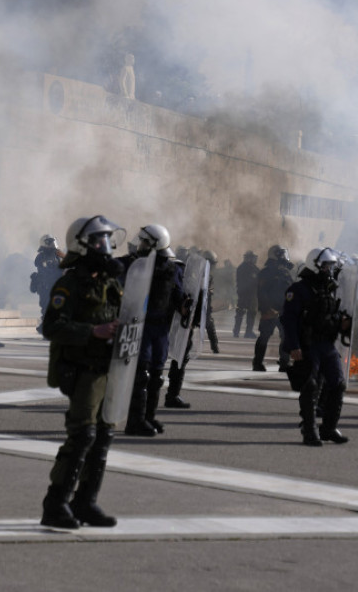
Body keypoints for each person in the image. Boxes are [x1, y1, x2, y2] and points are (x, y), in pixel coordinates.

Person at [40, 215, 124, 529]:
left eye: (107, 239)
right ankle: (56, 504)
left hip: (107, 368)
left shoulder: (110, 281)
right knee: (82, 436)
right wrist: (93, 331)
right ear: (82, 244)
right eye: (99, 240)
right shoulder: (70, 283)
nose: (106, 245)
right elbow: (52, 326)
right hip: (82, 369)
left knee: (103, 437)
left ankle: (85, 503)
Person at [118, 225, 186, 437]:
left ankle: (148, 417)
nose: (141, 245)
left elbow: (178, 295)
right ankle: (134, 421)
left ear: (156, 244)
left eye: (145, 242)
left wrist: (186, 306)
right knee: (142, 375)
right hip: (141, 325)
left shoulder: (172, 269)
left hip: (161, 328)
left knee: (156, 375)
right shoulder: (132, 264)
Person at [280, 248, 351, 446]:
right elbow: (289, 320)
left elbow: (331, 316)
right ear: (315, 265)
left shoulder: (330, 289)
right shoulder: (298, 290)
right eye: (326, 265)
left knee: (338, 384)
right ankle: (309, 431)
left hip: (327, 345)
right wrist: (293, 345)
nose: (329, 269)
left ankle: (328, 428)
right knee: (310, 387)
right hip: (308, 345)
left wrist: (342, 323)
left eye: (331, 265)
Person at [165, 249, 219, 410]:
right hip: (178, 323)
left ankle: (173, 394)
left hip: (187, 324)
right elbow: (181, 299)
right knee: (171, 358)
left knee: (181, 358)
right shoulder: (190, 277)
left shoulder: (205, 279)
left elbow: (203, 306)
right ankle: (170, 395)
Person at [252, 245, 295, 372]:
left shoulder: (286, 272)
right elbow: (261, 293)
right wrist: (267, 309)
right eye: (282, 254)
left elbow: (291, 290)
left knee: (285, 336)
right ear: (276, 255)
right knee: (264, 336)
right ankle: (257, 363)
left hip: (283, 311)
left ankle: (284, 363)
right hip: (270, 311)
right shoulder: (265, 273)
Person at [31, 234, 64, 332]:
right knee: (46, 308)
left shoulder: (57, 255)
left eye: (53, 241)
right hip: (45, 286)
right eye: (50, 242)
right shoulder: (41, 256)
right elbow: (45, 269)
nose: (52, 244)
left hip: (56, 285)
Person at [232, 250, 259, 338]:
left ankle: (240, 331)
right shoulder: (248, 268)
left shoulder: (243, 267)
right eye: (253, 258)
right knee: (246, 312)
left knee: (245, 313)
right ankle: (244, 332)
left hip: (246, 294)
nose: (255, 259)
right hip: (247, 294)